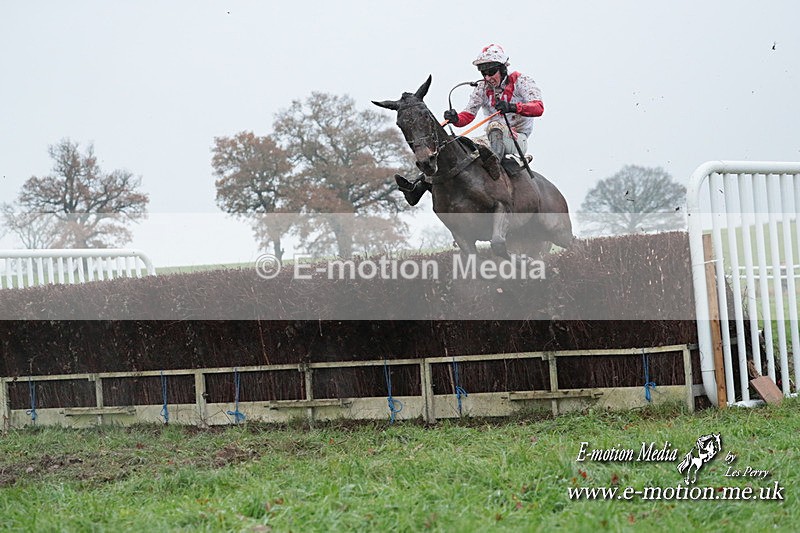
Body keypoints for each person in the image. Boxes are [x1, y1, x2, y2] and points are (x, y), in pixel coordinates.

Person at [395, 43, 545, 206]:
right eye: (483, 73)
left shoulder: (522, 81)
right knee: (455, 145)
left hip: (517, 140)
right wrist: (455, 118)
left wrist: (513, 107)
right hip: (491, 137)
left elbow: (539, 108)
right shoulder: (482, 87)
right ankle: (419, 186)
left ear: (502, 69)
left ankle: (495, 163)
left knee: (495, 127)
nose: (487, 77)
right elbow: (468, 115)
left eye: (491, 72)